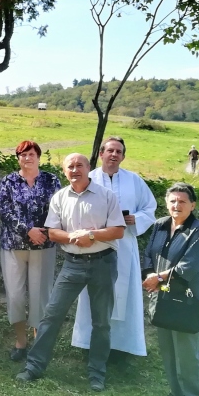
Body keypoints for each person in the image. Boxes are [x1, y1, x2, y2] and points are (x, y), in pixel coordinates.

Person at [16, 153, 125, 392]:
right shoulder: (59, 197)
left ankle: (97, 374)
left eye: (79, 165)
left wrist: (92, 236)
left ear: (88, 168)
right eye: (70, 167)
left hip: (103, 263)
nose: (75, 170)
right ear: (65, 171)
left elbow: (118, 230)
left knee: (102, 322)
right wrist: (75, 237)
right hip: (73, 263)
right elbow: (53, 233)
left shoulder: (107, 196)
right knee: (51, 316)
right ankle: (34, 366)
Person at [72, 137, 157, 361]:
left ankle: (121, 347)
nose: (114, 154)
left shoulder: (134, 180)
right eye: (110, 150)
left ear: (123, 156)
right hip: (96, 245)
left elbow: (150, 208)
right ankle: (89, 345)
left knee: (124, 295)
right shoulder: (90, 179)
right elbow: (76, 206)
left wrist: (134, 218)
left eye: (118, 151)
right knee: (95, 294)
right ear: (101, 154)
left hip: (125, 246)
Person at [142, 183, 199, 396]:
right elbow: (148, 255)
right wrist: (149, 275)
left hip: (188, 300)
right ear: (166, 203)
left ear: (192, 205)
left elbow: (189, 267)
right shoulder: (160, 225)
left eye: (182, 201)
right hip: (163, 297)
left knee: (187, 356)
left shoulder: (198, 230)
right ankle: (177, 392)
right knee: (169, 354)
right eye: (172, 201)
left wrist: (158, 278)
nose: (176, 205)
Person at [0, 141, 61, 361]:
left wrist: (42, 232)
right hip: (13, 246)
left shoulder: (51, 180)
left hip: (43, 245)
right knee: (15, 296)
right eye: (23, 154)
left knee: (40, 297)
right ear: (18, 158)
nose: (27, 158)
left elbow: (59, 209)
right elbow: (4, 211)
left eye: (31, 154)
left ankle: (37, 344)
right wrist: (27, 230)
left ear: (38, 157)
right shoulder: (8, 181)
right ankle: (20, 342)